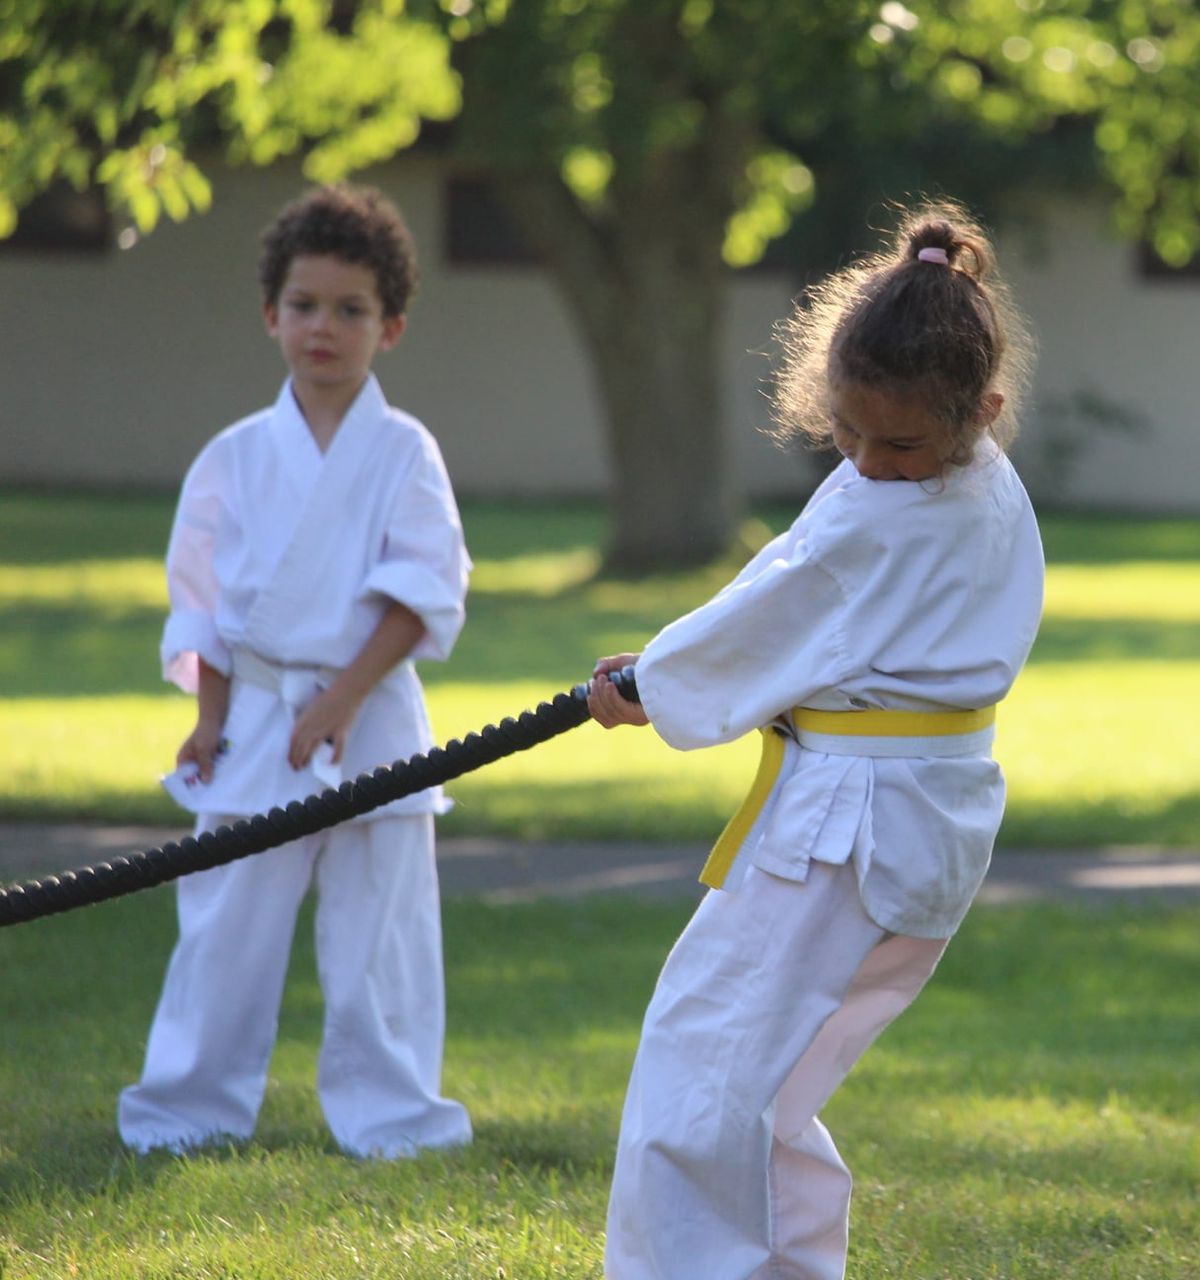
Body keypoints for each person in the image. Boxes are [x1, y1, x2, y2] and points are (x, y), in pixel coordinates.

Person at [582, 200, 1045, 1280]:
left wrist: (651, 685)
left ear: (982, 409)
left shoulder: (881, 513)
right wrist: (665, 665)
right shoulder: (983, 481)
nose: (872, 459)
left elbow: (781, 610)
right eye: (848, 432)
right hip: (924, 818)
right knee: (777, 1088)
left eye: (900, 440)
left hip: (844, 829)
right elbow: (792, 586)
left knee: (701, 1076)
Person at [118, 185, 473, 1160]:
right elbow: (206, 604)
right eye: (306, 305)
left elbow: (423, 590)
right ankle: (187, 1110)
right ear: (270, 314)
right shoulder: (233, 457)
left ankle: (395, 1119)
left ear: (390, 326)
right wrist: (209, 714)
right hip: (258, 716)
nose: (325, 327)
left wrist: (345, 696)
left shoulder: (405, 451)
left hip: (373, 711)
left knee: (380, 942)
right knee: (223, 928)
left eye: (351, 309)